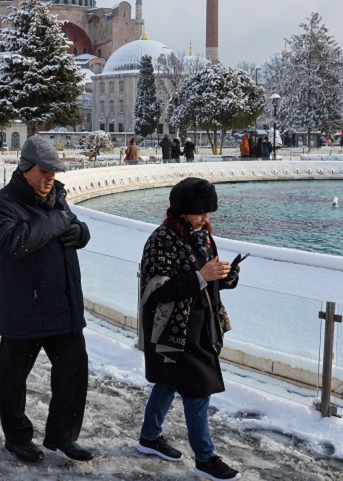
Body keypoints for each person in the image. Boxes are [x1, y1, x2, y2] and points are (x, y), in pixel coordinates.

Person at [0, 136, 92, 464]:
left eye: (54, 171)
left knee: (74, 370)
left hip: (61, 304)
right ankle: (17, 437)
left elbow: (73, 226)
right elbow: (10, 244)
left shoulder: (58, 196)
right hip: (23, 307)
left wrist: (81, 233)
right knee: (15, 378)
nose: (51, 177)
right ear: (26, 169)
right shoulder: (4, 203)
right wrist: (58, 222)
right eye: (45, 171)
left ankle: (62, 435)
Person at [135, 178, 240, 480]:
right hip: (172, 330)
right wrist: (201, 276)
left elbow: (209, 278)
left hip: (200, 326)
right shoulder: (161, 240)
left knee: (168, 383)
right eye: (201, 212)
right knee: (197, 390)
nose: (206, 218)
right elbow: (155, 292)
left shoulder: (202, 236)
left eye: (208, 212)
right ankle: (205, 459)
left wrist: (227, 276)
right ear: (182, 211)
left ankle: (149, 438)